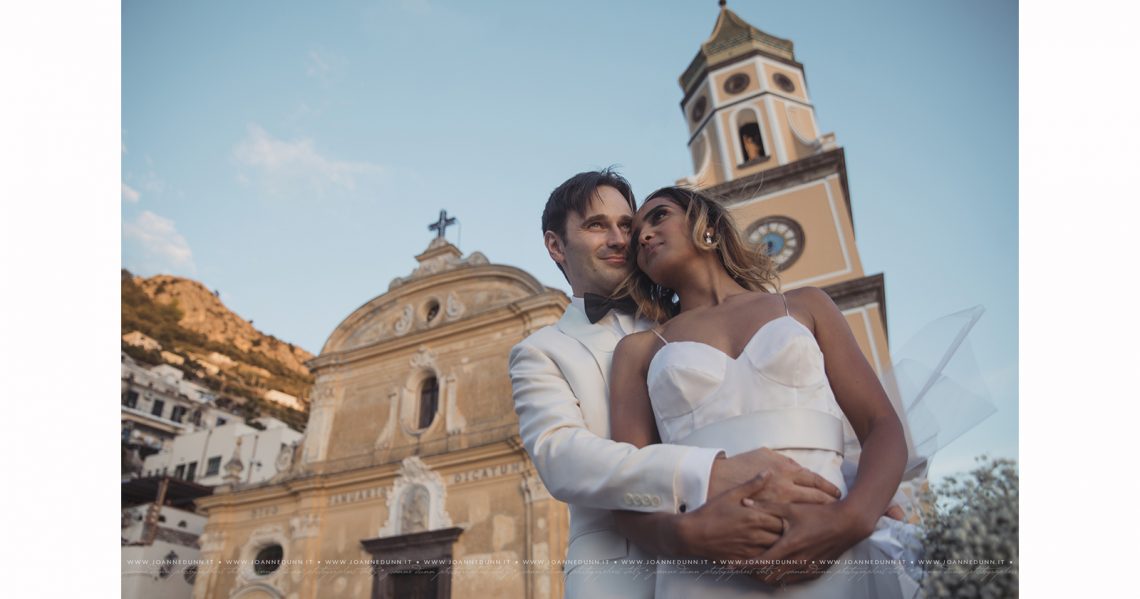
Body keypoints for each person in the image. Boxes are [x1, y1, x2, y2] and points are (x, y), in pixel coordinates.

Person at [509, 170, 847, 599]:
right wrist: (708, 473)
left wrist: (854, 496)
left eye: (627, 225)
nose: (619, 239)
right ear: (556, 245)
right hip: (619, 580)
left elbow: (794, 404)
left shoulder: (695, 318)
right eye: (597, 225)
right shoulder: (542, 350)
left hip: (768, 546)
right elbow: (563, 457)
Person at [608, 186, 922, 598]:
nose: (643, 236)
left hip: (835, 546)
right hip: (706, 570)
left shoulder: (806, 306)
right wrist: (690, 534)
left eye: (659, 217)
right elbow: (628, 490)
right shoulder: (637, 351)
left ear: (708, 226)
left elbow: (880, 424)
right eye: (636, 237)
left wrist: (852, 519)